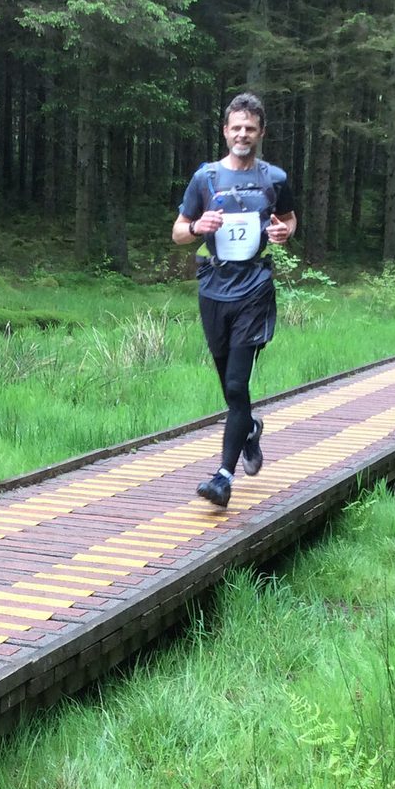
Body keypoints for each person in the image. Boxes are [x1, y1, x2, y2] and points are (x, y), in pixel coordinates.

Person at [172, 92, 297, 508]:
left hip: (255, 289)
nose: (243, 134)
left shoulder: (274, 178)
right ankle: (250, 429)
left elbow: (289, 218)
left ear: (261, 133)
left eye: (251, 128)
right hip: (213, 288)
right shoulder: (205, 179)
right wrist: (196, 227)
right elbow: (178, 231)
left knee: (236, 383)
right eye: (236, 127)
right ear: (225, 131)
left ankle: (223, 478)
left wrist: (283, 232)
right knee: (231, 391)